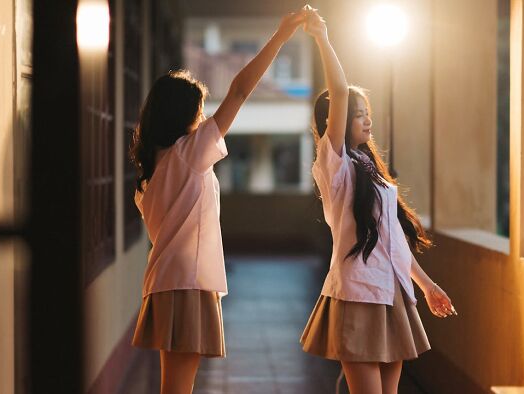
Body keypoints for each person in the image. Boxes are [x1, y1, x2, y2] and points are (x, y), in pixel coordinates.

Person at [128, 9, 306, 394]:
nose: (204, 116)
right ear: (186, 115)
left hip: (165, 282)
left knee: (173, 387)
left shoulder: (151, 172)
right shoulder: (189, 154)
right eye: (199, 109)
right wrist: (279, 36)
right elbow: (240, 90)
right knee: (178, 388)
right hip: (186, 284)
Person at [299, 7, 457, 394]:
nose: (366, 121)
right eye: (357, 115)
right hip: (359, 294)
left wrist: (426, 284)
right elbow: (338, 91)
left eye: (367, 113)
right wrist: (322, 36)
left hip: (392, 293)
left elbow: (394, 241)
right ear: (334, 123)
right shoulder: (333, 164)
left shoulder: (370, 168)